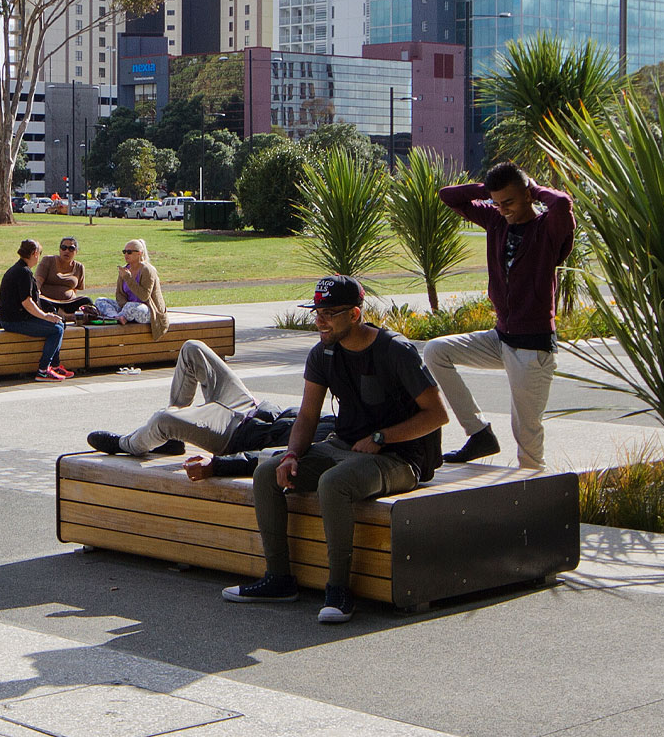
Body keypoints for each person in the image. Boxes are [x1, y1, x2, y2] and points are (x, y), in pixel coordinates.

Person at [222, 275, 447, 625]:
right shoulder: (323, 352)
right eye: (317, 312)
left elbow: (437, 414)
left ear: (355, 314)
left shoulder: (395, 350)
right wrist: (293, 455)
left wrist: (382, 438)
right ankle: (279, 579)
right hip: (345, 446)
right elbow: (308, 415)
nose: (320, 321)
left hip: (401, 458)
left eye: (329, 313)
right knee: (268, 470)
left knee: (334, 483)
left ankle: (339, 590)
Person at [424, 162, 575, 469]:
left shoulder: (548, 228)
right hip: (500, 338)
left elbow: (562, 202)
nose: (503, 209)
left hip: (532, 348)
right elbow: (448, 196)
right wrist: (489, 191)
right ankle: (479, 434)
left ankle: (533, 489)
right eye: (497, 202)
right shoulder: (495, 220)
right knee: (436, 351)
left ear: (528, 196)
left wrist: (533, 187)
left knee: (527, 438)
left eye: (510, 202)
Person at [84, 338, 336, 477]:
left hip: (233, 434)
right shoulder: (341, 418)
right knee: (193, 349)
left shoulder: (330, 446)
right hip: (251, 406)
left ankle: (128, 444)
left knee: (163, 418)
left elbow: (265, 458)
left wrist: (219, 465)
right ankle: (171, 438)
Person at [0, 238, 77, 381]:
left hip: (18, 317)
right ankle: (43, 370)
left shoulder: (20, 269)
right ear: (35, 253)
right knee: (56, 329)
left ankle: (54, 365)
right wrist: (45, 316)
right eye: (39, 254)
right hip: (14, 321)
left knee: (59, 323)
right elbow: (27, 302)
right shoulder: (23, 272)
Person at [92, 238, 169, 340]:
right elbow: (119, 294)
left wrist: (128, 278)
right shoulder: (124, 269)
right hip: (126, 308)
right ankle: (117, 317)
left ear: (139, 254)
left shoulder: (147, 270)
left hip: (148, 310)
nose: (126, 255)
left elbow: (144, 296)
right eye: (124, 252)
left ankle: (116, 317)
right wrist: (123, 306)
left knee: (131, 306)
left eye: (129, 252)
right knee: (100, 301)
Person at [34, 237, 93, 317]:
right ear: (60, 249)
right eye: (64, 248)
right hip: (48, 301)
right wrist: (37, 293)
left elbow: (75, 289)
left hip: (68, 303)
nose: (67, 251)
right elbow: (38, 281)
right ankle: (66, 316)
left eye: (71, 248)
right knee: (40, 300)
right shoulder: (48, 260)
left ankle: (66, 315)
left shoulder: (79, 267)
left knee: (87, 301)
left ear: (76, 251)